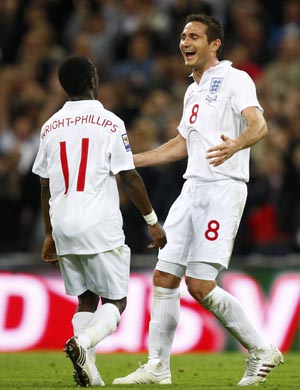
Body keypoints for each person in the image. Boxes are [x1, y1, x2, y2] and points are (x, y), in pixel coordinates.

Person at [113, 14, 283, 387]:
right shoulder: (193, 89)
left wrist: (237, 144)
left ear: (214, 44)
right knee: (164, 275)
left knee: (200, 285)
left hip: (223, 187)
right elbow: (181, 145)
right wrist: (131, 160)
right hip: (192, 189)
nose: (184, 43)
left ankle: (261, 350)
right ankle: (157, 366)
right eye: (182, 36)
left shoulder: (236, 79)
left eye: (193, 36)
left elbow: (259, 124)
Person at [32, 54, 167, 387]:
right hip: (98, 222)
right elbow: (129, 176)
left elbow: (44, 183)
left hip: (62, 222)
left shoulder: (49, 126)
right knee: (118, 300)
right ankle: (84, 342)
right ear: (94, 81)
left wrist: (49, 234)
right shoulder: (110, 122)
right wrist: (151, 220)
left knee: (87, 298)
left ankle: (89, 373)